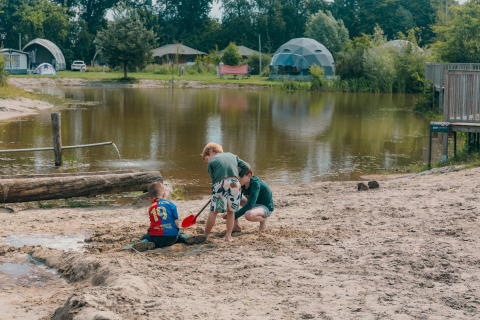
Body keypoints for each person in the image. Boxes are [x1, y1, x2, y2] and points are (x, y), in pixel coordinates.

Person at [133, 182, 205, 252]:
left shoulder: (151, 207)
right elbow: (176, 223)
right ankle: (186, 238)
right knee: (179, 234)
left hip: (156, 238)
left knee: (145, 236)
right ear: (164, 194)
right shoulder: (171, 205)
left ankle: (145, 242)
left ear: (150, 198)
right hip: (172, 238)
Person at [201, 142, 250, 242]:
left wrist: (215, 192)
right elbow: (246, 167)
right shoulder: (233, 156)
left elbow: (214, 181)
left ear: (210, 152)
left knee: (214, 211)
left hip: (220, 184)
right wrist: (238, 176)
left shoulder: (211, 162)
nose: (208, 161)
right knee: (231, 211)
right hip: (235, 184)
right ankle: (228, 236)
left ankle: (206, 235)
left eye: (207, 159)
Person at [225, 164, 274, 232]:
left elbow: (250, 204)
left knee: (248, 215)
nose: (237, 180)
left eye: (240, 178)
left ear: (249, 176)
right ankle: (236, 226)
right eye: (236, 177)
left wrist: (234, 216)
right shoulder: (242, 183)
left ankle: (263, 220)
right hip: (253, 203)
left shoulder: (255, 184)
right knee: (232, 198)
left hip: (265, 207)